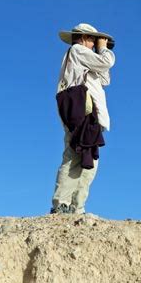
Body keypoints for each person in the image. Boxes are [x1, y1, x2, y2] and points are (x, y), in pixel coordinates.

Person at [50, 23, 116, 214]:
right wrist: (103, 50)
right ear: (84, 38)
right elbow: (107, 62)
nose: (95, 44)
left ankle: (76, 206)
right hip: (81, 113)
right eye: (93, 40)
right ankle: (61, 203)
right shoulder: (77, 50)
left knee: (90, 161)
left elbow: (105, 79)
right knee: (73, 155)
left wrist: (100, 52)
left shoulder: (86, 58)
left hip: (92, 115)